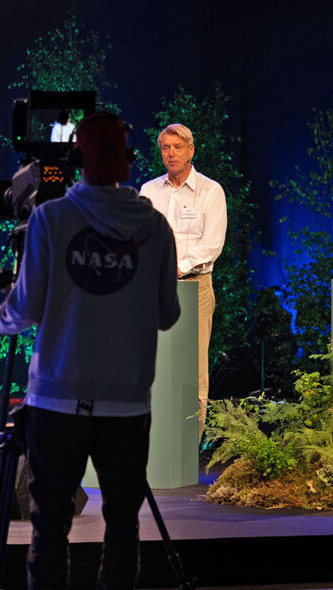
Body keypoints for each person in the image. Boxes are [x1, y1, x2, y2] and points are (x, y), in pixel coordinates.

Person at [0, 113, 180, 590]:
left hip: (57, 400)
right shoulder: (155, 228)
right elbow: (168, 314)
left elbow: (25, 309)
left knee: (51, 521)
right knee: (122, 520)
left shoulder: (50, 219)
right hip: (128, 403)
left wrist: (3, 314)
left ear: (77, 159)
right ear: (129, 159)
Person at [138, 123, 226, 436]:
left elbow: (213, 244)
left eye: (177, 147)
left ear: (191, 151)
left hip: (195, 287)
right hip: (152, 290)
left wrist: (177, 266)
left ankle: (189, 443)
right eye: (166, 148)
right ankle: (152, 442)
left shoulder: (211, 191)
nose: (171, 153)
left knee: (194, 367)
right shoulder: (149, 191)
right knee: (151, 362)